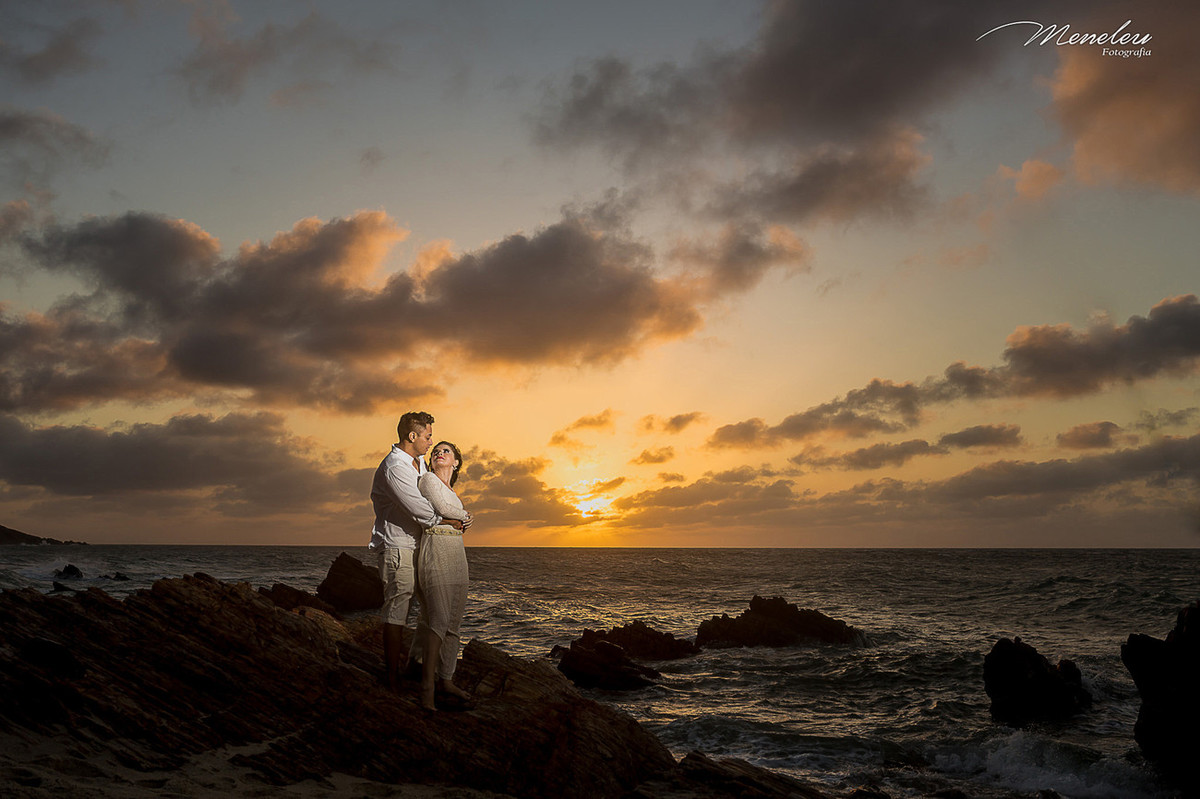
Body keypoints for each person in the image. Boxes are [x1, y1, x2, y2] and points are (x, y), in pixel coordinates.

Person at [368, 411, 463, 691]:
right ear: (413, 436)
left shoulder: (419, 462)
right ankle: (392, 675)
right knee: (399, 604)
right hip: (398, 545)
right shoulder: (394, 467)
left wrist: (456, 515)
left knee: (429, 609)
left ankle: (415, 666)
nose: (431, 442)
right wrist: (447, 520)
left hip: (421, 545)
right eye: (428, 436)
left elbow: (436, 493)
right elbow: (420, 508)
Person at [413, 440, 474, 711]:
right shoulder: (428, 480)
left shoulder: (455, 493)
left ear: (456, 462)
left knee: (453, 623)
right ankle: (427, 687)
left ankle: (446, 679)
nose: (439, 453)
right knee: (437, 620)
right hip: (435, 549)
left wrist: (462, 519)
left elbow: (456, 516)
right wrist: (464, 517)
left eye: (446, 451)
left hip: (457, 554)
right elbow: (443, 509)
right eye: (436, 450)